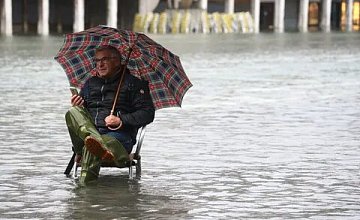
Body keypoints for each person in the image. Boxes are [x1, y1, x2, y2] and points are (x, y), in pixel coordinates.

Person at [65, 45, 155, 182]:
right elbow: (84, 115)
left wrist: (121, 120)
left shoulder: (134, 84)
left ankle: (84, 195)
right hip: (89, 134)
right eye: (97, 61)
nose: (99, 64)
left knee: (92, 147)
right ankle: (94, 142)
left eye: (105, 59)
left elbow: (148, 113)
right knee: (73, 112)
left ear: (117, 61)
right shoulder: (90, 84)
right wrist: (80, 105)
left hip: (118, 136)